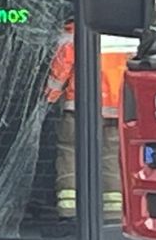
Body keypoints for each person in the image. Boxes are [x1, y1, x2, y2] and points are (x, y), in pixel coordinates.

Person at [45, 19, 134, 222]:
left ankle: (69, 210)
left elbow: (59, 73)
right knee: (112, 157)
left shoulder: (72, 35)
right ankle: (113, 211)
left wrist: (49, 98)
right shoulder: (128, 36)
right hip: (116, 110)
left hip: (78, 109)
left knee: (69, 153)